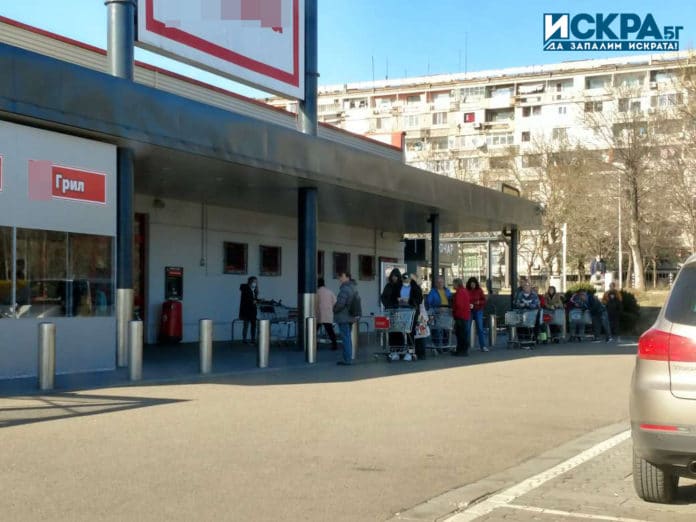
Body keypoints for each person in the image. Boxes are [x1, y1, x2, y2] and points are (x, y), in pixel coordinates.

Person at [333, 271, 357, 365]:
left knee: (345, 338)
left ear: (347, 277)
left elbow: (340, 304)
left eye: (342, 276)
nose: (340, 278)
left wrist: (334, 309)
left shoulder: (345, 289)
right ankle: (348, 358)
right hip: (350, 316)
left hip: (344, 317)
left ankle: (347, 359)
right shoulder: (353, 287)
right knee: (348, 338)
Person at [466, 277, 488, 352]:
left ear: (476, 284)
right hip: (469, 310)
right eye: (471, 284)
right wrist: (468, 304)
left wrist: (479, 302)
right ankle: (466, 346)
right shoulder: (466, 290)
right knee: (467, 328)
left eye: (474, 284)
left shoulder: (479, 290)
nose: (473, 285)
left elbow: (484, 300)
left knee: (480, 328)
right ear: (469, 284)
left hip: (478, 310)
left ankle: (483, 346)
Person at [316, 277, 338, 350]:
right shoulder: (329, 292)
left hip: (318, 314)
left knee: (314, 331)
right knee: (330, 330)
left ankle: (314, 345)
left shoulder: (316, 292)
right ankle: (334, 345)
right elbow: (335, 302)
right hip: (328, 314)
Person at [408, 274, 427, 360]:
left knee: (412, 335)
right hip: (421, 315)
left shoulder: (411, 289)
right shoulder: (418, 289)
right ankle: (421, 353)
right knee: (421, 335)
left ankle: (412, 352)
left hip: (415, 315)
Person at [451, 278, 471, 356]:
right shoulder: (464, 291)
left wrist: (455, 313)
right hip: (465, 315)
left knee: (460, 334)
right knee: (463, 333)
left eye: (453, 284)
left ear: (457, 284)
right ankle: (462, 350)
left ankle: (461, 350)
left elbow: (459, 305)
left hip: (460, 315)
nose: (453, 285)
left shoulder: (459, 292)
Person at [239, 276, 258, 344]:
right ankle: (244, 339)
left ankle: (253, 339)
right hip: (246, 310)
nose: (255, 283)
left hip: (253, 311)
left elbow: (254, 299)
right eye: (253, 281)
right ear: (250, 282)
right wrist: (254, 301)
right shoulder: (246, 289)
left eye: (256, 282)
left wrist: (257, 301)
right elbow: (247, 300)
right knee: (246, 325)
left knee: (253, 325)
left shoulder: (255, 290)